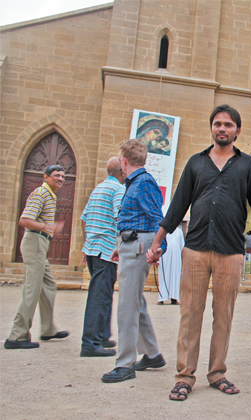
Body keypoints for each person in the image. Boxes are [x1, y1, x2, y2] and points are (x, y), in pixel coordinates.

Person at [146, 104, 251, 401]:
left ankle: (217, 372)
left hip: (231, 251)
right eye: (218, 124)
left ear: (237, 130)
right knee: (190, 314)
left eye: (228, 125)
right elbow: (177, 206)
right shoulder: (196, 163)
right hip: (194, 249)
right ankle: (184, 376)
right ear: (212, 128)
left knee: (223, 315)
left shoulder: (248, 165)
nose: (222, 129)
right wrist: (158, 240)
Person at [101, 138, 167, 383]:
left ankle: (125, 363)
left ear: (124, 161)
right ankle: (151, 353)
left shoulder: (143, 182)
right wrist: (122, 246)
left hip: (139, 245)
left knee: (127, 306)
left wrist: (160, 247)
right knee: (134, 301)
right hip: (133, 243)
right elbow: (137, 218)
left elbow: (158, 218)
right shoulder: (138, 182)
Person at [4, 165, 69, 349]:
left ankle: (48, 329)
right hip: (35, 242)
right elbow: (24, 220)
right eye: (56, 175)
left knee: (48, 285)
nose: (61, 179)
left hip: (40, 244)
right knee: (32, 289)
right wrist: (47, 227)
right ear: (46, 177)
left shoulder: (50, 194)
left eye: (63, 176)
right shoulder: (41, 193)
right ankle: (16, 336)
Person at [80, 156, 126, 357]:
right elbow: (119, 217)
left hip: (92, 248)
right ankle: (90, 343)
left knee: (104, 294)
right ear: (121, 171)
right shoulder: (117, 190)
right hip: (106, 250)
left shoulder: (98, 188)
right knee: (100, 296)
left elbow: (84, 218)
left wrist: (87, 243)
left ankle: (102, 336)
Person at [157, 226, 184, 305]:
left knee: (175, 277)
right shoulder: (162, 231)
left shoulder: (179, 231)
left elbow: (182, 246)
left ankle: (174, 298)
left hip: (176, 258)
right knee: (163, 277)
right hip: (164, 257)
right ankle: (162, 298)